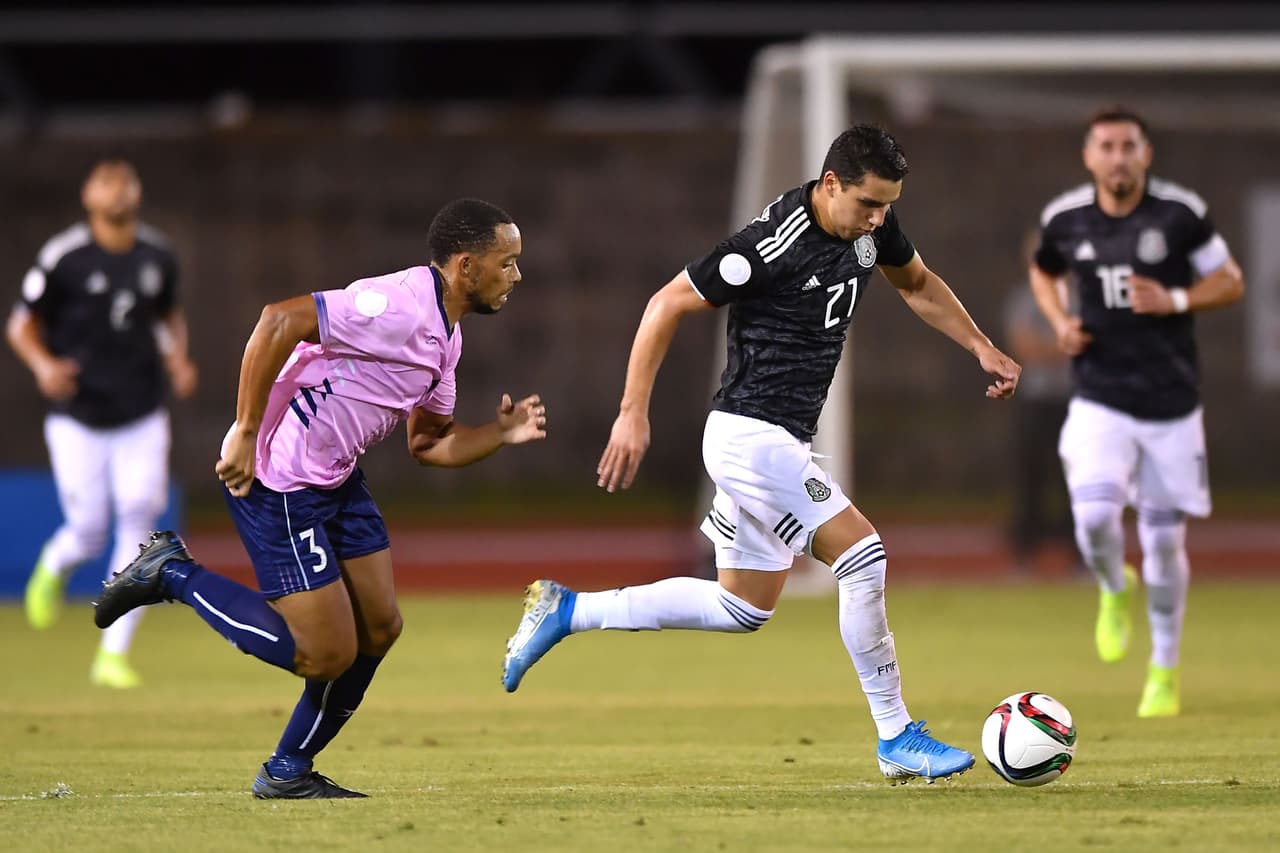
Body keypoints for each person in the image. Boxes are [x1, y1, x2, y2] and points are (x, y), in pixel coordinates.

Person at [502, 125, 1021, 784]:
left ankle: (568, 611)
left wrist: (980, 345)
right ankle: (896, 735)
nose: (878, 218)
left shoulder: (871, 226)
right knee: (862, 556)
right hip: (750, 436)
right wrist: (632, 412)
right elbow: (665, 303)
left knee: (742, 606)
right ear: (830, 184)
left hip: (781, 440)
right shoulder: (768, 246)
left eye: (887, 205)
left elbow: (916, 284)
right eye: (868, 203)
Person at [94, 198, 547, 798]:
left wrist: (499, 435)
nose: (516, 275)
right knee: (324, 655)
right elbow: (278, 321)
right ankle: (171, 573)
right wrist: (246, 430)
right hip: (280, 479)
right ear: (466, 266)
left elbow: (429, 443)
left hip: (335, 478)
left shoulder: (447, 338)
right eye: (507, 262)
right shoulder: (397, 305)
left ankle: (288, 771)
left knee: (380, 628)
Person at [1029, 107, 1245, 718]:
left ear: (1146, 154)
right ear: (1089, 156)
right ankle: (1112, 585)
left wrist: (1175, 297)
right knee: (1095, 516)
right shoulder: (1065, 218)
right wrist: (1059, 321)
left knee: (1163, 542)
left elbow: (1230, 280)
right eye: (1106, 146)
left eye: (1129, 146)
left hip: (1171, 405)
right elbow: (1043, 272)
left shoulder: (1180, 213)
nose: (1118, 157)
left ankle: (1164, 670)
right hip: (1100, 398)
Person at [7, 159, 198, 689]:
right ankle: (55, 562)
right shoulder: (65, 256)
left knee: (139, 519)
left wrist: (178, 359)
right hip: (80, 415)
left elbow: (168, 315)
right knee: (89, 530)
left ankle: (113, 653)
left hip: (142, 412)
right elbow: (21, 324)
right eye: (105, 181)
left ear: (138, 192)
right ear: (88, 195)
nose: (116, 189)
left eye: (124, 180)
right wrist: (44, 365)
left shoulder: (157, 255)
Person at [1003, 229, 1076, 574]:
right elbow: (1024, 346)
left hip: (1075, 401)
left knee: (1077, 480)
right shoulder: (1023, 299)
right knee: (1031, 477)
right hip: (1035, 400)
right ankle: (1025, 554)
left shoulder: (1080, 298)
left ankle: (1079, 555)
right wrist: (1061, 348)